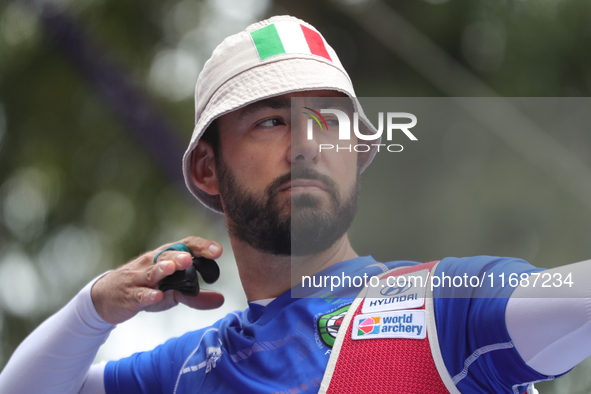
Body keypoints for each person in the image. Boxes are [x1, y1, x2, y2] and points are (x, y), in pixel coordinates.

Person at [1, 14, 591, 394]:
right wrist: (95, 308)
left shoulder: (444, 308)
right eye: (269, 122)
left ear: (357, 152)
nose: (307, 144)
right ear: (208, 167)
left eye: (327, 120)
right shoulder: (188, 370)